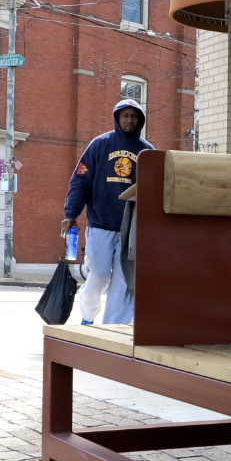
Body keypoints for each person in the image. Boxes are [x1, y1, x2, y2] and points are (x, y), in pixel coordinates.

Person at [61, 98, 150, 325]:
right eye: (125, 116)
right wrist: (70, 214)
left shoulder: (147, 152)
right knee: (98, 274)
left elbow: (155, 192)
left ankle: (114, 327)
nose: (129, 120)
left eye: (134, 116)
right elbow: (80, 182)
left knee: (123, 280)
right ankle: (88, 318)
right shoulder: (99, 145)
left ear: (140, 120)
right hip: (100, 224)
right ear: (117, 118)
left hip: (131, 230)